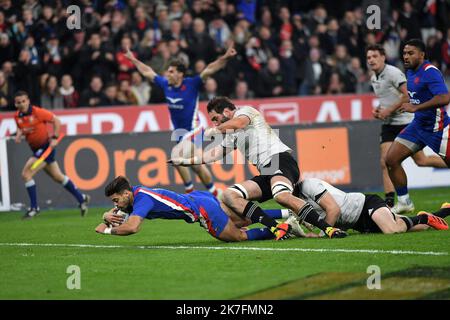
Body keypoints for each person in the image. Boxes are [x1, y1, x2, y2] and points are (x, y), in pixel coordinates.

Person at [169, 96, 347, 239]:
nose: (215, 123)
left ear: (226, 111)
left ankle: (328, 229)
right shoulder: (231, 135)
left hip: (280, 161)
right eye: (213, 121)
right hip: (267, 172)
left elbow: (238, 123)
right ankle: (276, 227)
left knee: (281, 195)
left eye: (215, 118)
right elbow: (212, 155)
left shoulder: (246, 112)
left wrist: (214, 131)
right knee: (230, 195)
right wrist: (184, 161)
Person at [124, 44, 238, 197]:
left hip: (194, 130)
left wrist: (225, 57)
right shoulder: (166, 85)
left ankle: (189, 192)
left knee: (177, 156)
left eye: (171, 72)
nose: (167, 74)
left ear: (180, 74)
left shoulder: (192, 84)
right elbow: (147, 72)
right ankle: (216, 193)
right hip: (179, 133)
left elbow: (210, 68)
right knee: (196, 166)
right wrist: (133, 59)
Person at [94, 176, 318, 241]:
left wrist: (107, 230)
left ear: (125, 193)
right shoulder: (135, 196)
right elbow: (109, 220)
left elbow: (132, 227)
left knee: (237, 236)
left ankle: (285, 229)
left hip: (200, 209)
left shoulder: (142, 200)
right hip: (200, 198)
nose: (115, 205)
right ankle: (288, 214)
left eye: (116, 200)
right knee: (242, 220)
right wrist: (106, 216)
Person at [367, 44, 447, 208]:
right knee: (389, 159)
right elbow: (412, 97)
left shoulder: (428, 71)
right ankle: (403, 201)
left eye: (410, 53)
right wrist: (382, 110)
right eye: (404, 53)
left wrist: (411, 107)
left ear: (422, 54)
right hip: (415, 125)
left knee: (422, 161)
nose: (406, 56)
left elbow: (444, 98)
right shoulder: (409, 72)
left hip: (433, 126)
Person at [13, 91, 90, 219]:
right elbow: (21, 128)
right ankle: (81, 198)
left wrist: (55, 137)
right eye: (18, 102)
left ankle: (34, 208)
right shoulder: (17, 116)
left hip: (45, 148)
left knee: (26, 174)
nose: (21, 104)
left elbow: (56, 121)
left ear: (28, 101)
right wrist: (18, 135)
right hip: (35, 149)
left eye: (23, 101)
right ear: (15, 104)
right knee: (58, 177)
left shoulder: (38, 112)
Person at [289, 178, 448, 235]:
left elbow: (334, 210)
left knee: (391, 230)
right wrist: (305, 234)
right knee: (419, 228)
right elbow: (302, 224)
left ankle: (424, 217)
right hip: (357, 223)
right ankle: (443, 210)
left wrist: (325, 233)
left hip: (365, 204)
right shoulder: (292, 200)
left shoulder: (309, 185)